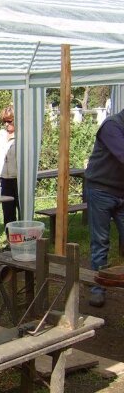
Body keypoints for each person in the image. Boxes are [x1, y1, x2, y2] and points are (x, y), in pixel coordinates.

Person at [84, 108, 124, 307]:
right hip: (101, 189)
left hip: (122, 191)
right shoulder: (112, 125)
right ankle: (97, 288)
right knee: (100, 241)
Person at [0, 104, 19, 228]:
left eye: (9, 121)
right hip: (4, 179)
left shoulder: (22, 135)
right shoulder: (0, 134)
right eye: (4, 121)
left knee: (22, 211)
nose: (6, 124)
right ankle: (10, 240)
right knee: (8, 213)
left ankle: (24, 240)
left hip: (19, 179)